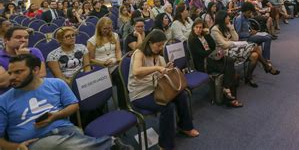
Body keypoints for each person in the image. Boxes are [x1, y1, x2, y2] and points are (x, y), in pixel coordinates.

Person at [0, 54, 133, 150]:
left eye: (18, 72)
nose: (12, 77)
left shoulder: (56, 84)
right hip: (34, 142)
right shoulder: (3, 100)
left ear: (35, 70)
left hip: (65, 130)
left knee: (70, 142)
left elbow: (74, 106)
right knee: (60, 144)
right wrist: (17, 147)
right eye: (10, 72)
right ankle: (110, 144)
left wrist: (55, 116)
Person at [128, 30, 199, 149]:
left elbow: (161, 76)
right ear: (150, 43)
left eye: (162, 45)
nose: (161, 47)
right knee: (167, 107)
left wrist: (166, 69)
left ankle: (185, 126)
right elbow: (136, 71)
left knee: (181, 95)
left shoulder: (159, 57)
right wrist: (157, 68)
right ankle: (165, 145)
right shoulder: (139, 53)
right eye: (158, 45)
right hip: (140, 94)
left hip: (156, 89)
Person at [210, 10, 278, 88]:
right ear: (222, 18)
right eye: (227, 17)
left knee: (255, 55)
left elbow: (236, 38)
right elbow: (224, 45)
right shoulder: (215, 29)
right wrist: (235, 43)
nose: (229, 18)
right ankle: (266, 66)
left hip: (234, 48)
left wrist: (231, 28)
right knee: (255, 46)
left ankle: (249, 77)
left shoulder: (226, 26)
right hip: (224, 52)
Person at [188, 19, 242, 107]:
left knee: (230, 61)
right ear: (193, 28)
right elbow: (202, 54)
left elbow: (213, 45)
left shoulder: (204, 36)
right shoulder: (192, 40)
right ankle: (230, 96)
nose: (198, 29)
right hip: (204, 63)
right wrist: (214, 52)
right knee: (229, 68)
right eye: (196, 27)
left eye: (200, 27)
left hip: (212, 59)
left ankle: (227, 90)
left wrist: (208, 34)